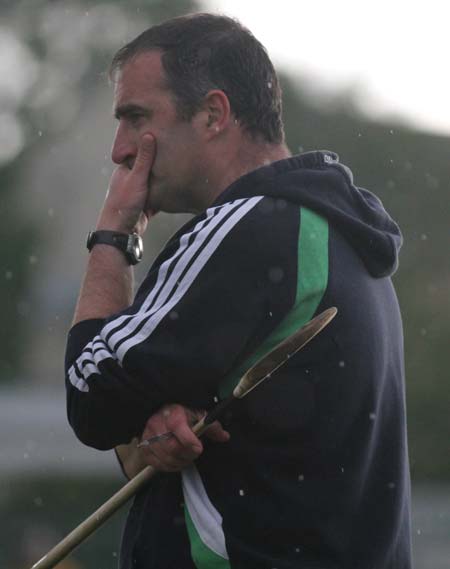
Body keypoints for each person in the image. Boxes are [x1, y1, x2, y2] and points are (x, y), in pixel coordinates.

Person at [65, 13, 412, 569]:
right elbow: (180, 424)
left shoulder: (250, 226)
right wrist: (150, 431)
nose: (119, 150)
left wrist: (113, 235)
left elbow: (90, 391)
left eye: (135, 118)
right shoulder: (340, 234)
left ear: (213, 114)